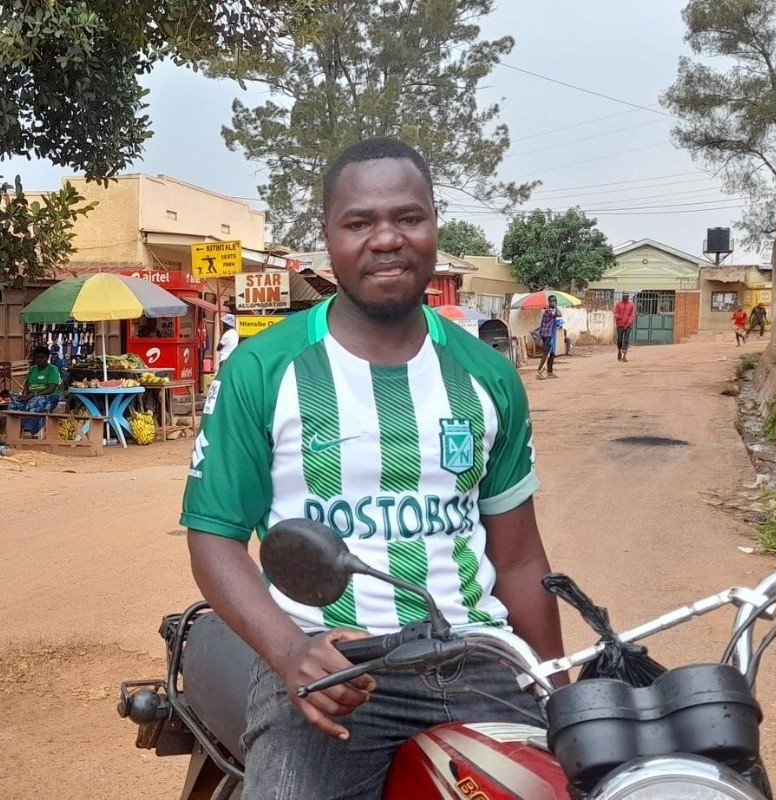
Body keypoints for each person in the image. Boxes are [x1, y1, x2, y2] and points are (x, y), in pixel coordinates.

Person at [181, 138, 564, 800]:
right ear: (329, 239)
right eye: (359, 222)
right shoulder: (263, 371)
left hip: (478, 662)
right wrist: (290, 652)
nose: (386, 239)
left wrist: (559, 689)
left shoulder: (489, 376)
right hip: (331, 668)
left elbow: (522, 558)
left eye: (408, 218)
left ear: (433, 228)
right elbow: (214, 536)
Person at [8, 346, 61, 433]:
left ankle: (29, 430)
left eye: (41, 358)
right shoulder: (33, 369)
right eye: (37, 357)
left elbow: (51, 388)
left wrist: (35, 395)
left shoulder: (53, 369)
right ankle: (14, 431)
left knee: (34, 402)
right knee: (13, 404)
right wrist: (24, 395)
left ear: (47, 358)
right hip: (31, 396)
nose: (38, 360)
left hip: (49, 397)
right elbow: (27, 385)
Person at [535, 295, 562, 379]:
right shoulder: (548, 311)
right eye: (551, 301)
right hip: (546, 335)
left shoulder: (552, 310)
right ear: (549, 302)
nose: (553, 303)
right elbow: (559, 314)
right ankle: (539, 372)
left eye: (554, 301)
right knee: (546, 353)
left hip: (551, 334)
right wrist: (556, 307)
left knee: (552, 353)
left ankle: (550, 372)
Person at [613, 292, 636, 362]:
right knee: (619, 340)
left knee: (626, 340)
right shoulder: (618, 304)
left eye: (626, 297)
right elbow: (615, 313)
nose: (625, 298)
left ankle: (624, 356)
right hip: (620, 325)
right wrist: (618, 317)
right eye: (624, 296)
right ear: (622, 297)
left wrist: (628, 323)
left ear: (628, 297)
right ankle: (619, 351)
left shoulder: (631, 305)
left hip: (628, 326)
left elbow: (632, 315)